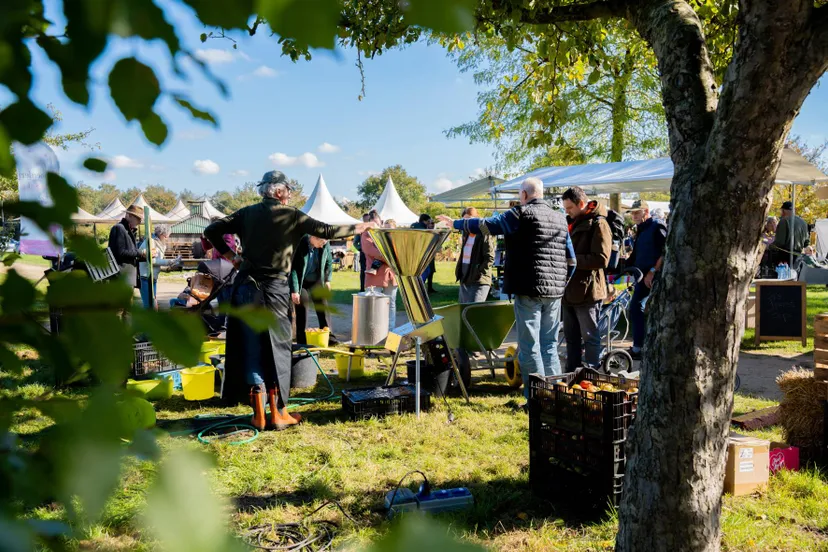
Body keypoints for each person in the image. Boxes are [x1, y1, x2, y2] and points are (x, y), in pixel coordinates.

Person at [204, 170, 374, 431]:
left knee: (251, 348)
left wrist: (232, 257)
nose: (291, 195)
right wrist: (360, 227)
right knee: (277, 350)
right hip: (274, 290)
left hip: (245, 289)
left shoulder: (246, 213)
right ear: (279, 191)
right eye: (289, 191)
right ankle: (278, 414)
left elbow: (211, 230)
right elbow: (327, 230)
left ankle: (258, 416)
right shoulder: (291, 215)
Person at [438, 177, 576, 403]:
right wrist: (561, 284)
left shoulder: (519, 213)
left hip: (528, 287)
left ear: (524, 194)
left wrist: (456, 224)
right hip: (554, 292)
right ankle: (555, 397)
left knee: (529, 347)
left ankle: (537, 399)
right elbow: (572, 261)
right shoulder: (561, 218)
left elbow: (486, 225)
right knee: (549, 345)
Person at [561, 187, 612, 371]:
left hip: (588, 292)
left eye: (570, 208)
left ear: (581, 204)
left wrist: (571, 260)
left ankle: (592, 375)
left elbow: (602, 259)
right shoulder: (571, 222)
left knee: (590, 337)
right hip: (569, 291)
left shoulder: (599, 224)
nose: (567, 212)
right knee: (571, 338)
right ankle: (571, 376)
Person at [625, 199, 667, 360]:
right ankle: (641, 346)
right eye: (633, 213)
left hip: (653, 276)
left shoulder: (657, 225)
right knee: (636, 308)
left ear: (646, 212)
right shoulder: (641, 229)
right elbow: (637, 253)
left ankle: (640, 348)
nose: (634, 216)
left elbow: (665, 251)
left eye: (637, 212)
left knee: (637, 307)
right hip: (640, 275)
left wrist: (653, 271)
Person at [291, 235, 336, 345]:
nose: (322, 246)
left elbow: (328, 262)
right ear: (314, 238)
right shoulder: (300, 243)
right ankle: (302, 340)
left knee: (323, 304)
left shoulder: (324, 244)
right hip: (301, 282)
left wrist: (327, 280)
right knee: (302, 304)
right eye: (321, 243)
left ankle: (329, 337)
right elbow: (293, 268)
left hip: (316, 279)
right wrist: (295, 290)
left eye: (325, 243)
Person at [361, 218, 399, 329]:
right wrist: (392, 257)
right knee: (373, 303)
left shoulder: (396, 238)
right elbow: (373, 252)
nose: (375, 225)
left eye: (377, 223)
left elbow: (400, 252)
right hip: (374, 275)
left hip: (391, 274)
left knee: (390, 303)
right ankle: (373, 330)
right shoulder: (366, 235)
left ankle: (390, 329)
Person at [455, 207, 496, 303]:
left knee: (474, 310)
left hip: (479, 281)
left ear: (476, 218)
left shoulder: (484, 232)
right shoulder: (466, 234)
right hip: (465, 278)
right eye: (464, 221)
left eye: (470, 220)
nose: (467, 223)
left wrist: (479, 272)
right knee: (463, 310)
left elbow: (490, 257)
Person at [137, 224, 180, 309]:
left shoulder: (159, 243)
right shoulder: (151, 242)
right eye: (167, 235)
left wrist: (167, 269)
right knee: (149, 305)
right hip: (146, 277)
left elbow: (157, 263)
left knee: (153, 304)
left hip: (152, 277)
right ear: (162, 234)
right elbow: (151, 260)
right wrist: (170, 262)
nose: (167, 238)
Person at [108, 204, 146, 290]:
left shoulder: (128, 230)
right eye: (138, 218)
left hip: (127, 277)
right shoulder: (119, 228)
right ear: (129, 215)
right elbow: (121, 253)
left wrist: (145, 256)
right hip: (120, 277)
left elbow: (130, 254)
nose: (140, 222)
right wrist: (141, 252)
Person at [772, 201, 809, 265]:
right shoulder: (804, 222)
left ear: (784, 211)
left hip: (784, 256)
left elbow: (780, 242)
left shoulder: (784, 221)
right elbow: (806, 243)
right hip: (798, 257)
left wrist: (770, 246)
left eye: (781, 211)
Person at [412, 214, 438, 293]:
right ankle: (419, 288)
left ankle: (419, 287)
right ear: (425, 221)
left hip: (415, 253)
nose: (430, 223)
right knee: (425, 271)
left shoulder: (414, 226)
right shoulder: (423, 229)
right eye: (429, 221)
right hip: (422, 254)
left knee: (424, 271)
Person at [354, 213, 371, 291]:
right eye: (365, 220)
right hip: (363, 254)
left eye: (368, 219)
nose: (367, 221)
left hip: (372, 253)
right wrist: (361, 249)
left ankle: (372, 288)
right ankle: (362, 289)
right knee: (363, 271)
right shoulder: (360, 229)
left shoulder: (373, 227)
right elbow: (355, 243)